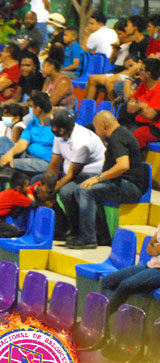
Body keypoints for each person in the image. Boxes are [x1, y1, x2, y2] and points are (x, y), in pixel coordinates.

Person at [60, 111, 147, 249]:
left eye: (96, 128)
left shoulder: (118, 137)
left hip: (129, 186)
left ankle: (88, 238)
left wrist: (98, 178)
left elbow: (123, 165)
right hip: (117, 181)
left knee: (85, 190)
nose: (95, 132)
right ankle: (93, 234)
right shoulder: (117, 135)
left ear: (102, 126)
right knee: (71, 189)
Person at [49, 109, 106, 248]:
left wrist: (52, 190)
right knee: (60, 191)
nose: (52, 129)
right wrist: (48, 183)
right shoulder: (60, 136)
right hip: (75, 174)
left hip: (93, 174)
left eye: (54, 127)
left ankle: (88, 237)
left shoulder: (82, 142)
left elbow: (71, 175)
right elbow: (55, 163)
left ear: (62, 130)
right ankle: (74, 230)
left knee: (72, 191)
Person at [0, 92, 55, 193]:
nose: (30, 110)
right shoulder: (33, 122)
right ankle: (8, 166)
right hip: (27, 156)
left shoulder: (55, 126)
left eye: (31, 107)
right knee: (3, 140)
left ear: (38, 109)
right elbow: (22, 143)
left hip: (43, 162)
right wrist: (9, 154)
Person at [0, 171, 55, 250]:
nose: (28, 188)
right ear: (19, 188)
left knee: (5, 227)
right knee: (14, 232)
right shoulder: (17, 196)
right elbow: (33, 204)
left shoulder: (10, 192)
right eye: (26, 186)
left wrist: (35, 188)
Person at [100, 224, 160, 314]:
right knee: (107, 281)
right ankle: (106, 320)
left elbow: (156, 248)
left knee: (126, 285)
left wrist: (156, 247)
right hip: (151, 265)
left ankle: (99, 318)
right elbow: (149, 248)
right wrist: (155, 248)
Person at [123, 58, 160, 148]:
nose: (138, 72)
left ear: (149, 73)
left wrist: (137, 106)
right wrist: (141, 106)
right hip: (138, 123)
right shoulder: (144, 84)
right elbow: (130, 105)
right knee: (115, 131)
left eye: (141, 69)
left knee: (131, 137)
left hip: (154, 128)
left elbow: (151, 115)